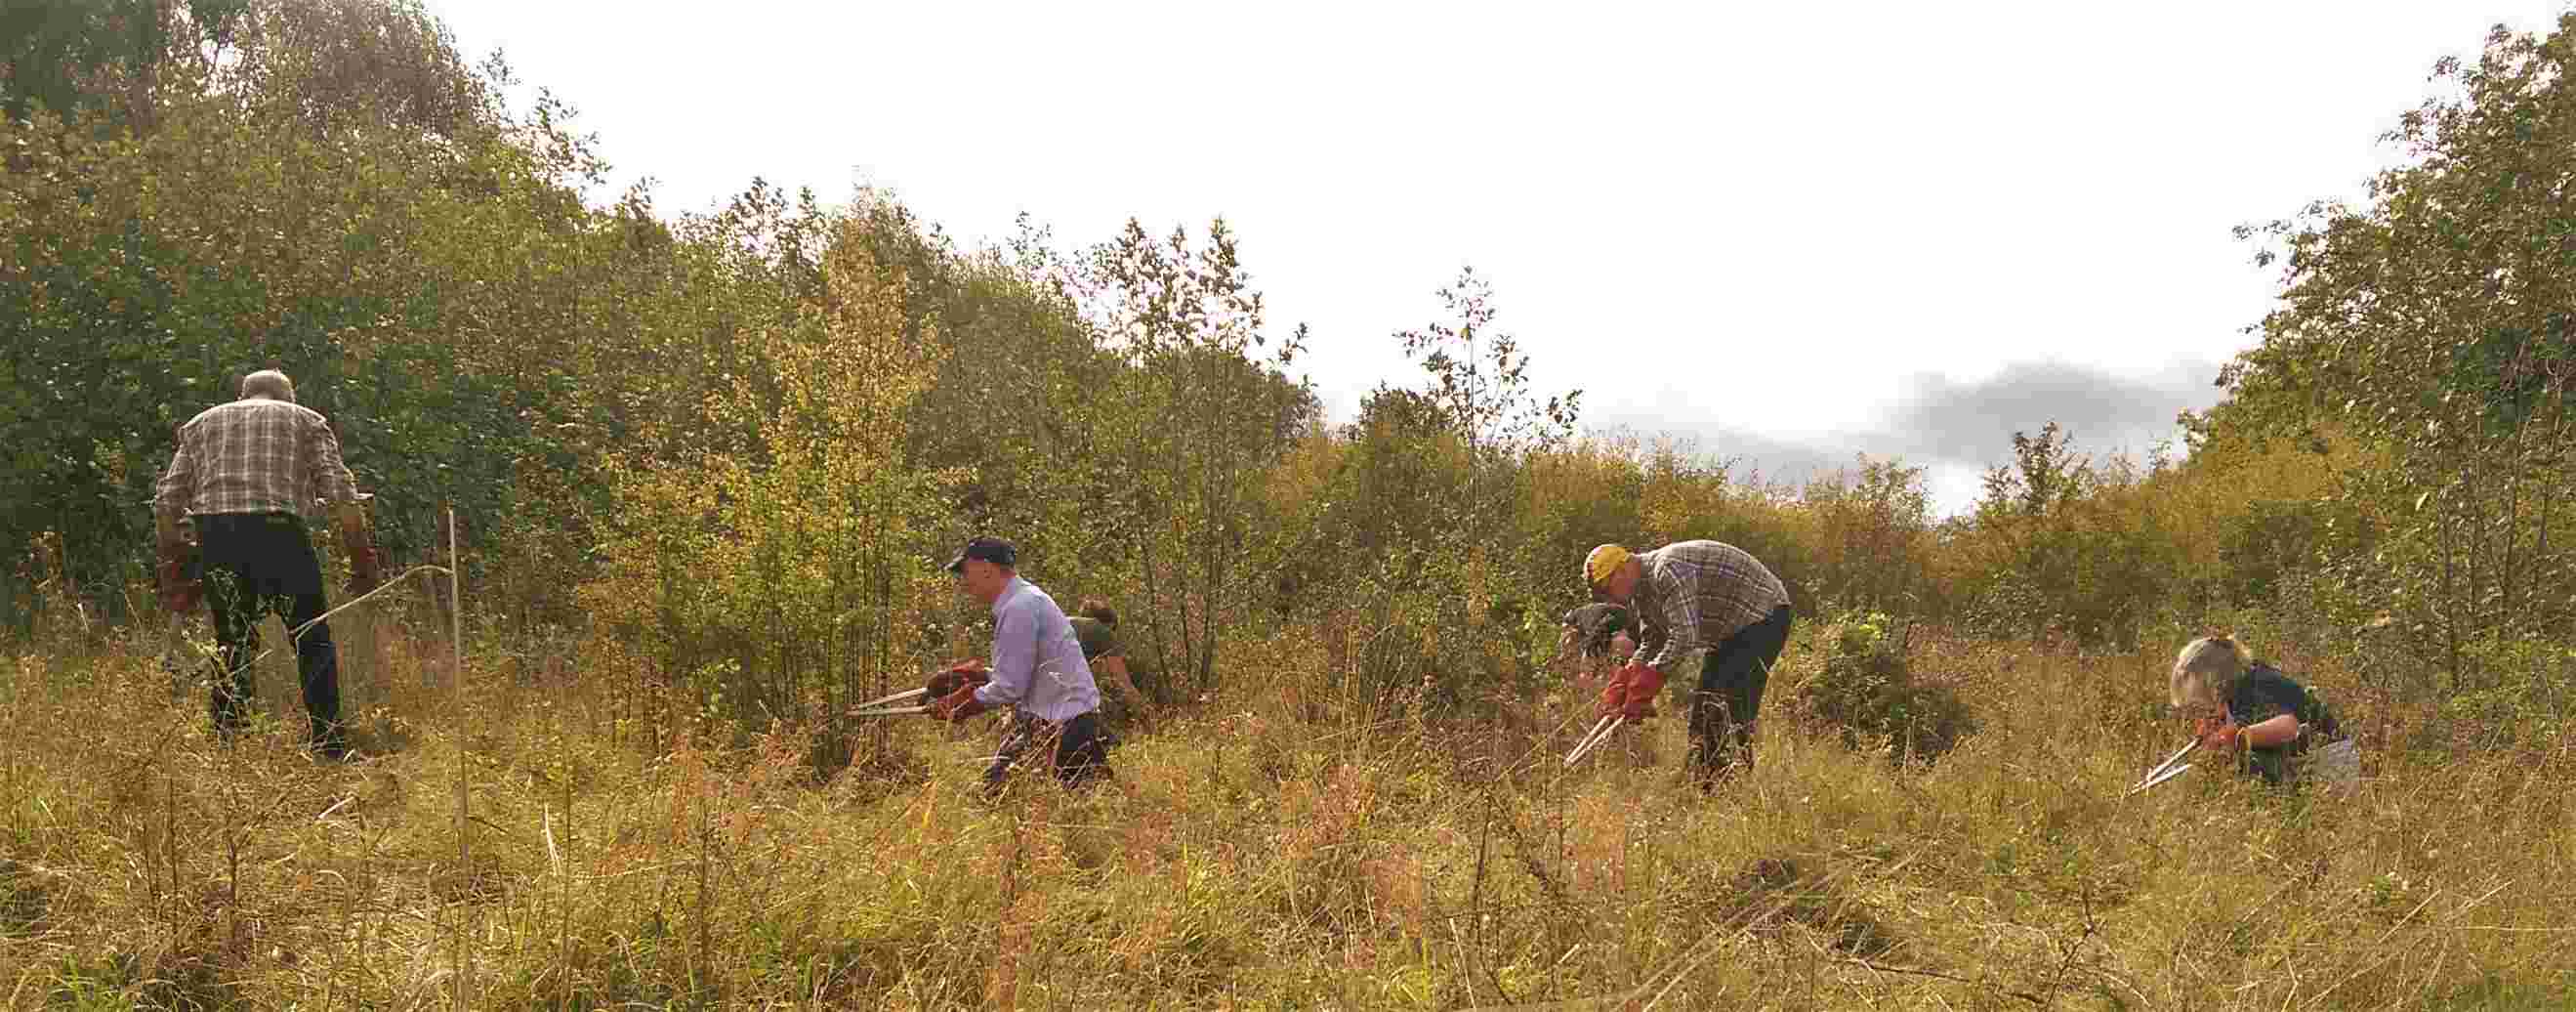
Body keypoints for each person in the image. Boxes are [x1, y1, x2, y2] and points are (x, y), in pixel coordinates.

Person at [152, 368, 382, 759]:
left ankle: (228, 746)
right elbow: (341, 494)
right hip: (281, 535)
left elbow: (166, 503)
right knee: (311, 638)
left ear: (243, 397)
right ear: (288, 398)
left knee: (232, 641)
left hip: (218, 537)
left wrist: (175, 562)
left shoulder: (200, 424)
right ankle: (328, 744)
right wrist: (361, 557)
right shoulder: (306, 420)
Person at [1584, 540, 1794, 786]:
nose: (1609, 597)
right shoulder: (1640, 593)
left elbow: (1685, 635)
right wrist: (1625, 679)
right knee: (1705, 708)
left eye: (1607, 588)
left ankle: (1732, 785)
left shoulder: (1667, 569)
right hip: (1730, 632)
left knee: (1729, 707)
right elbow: (1653, 639)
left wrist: (1648, 682)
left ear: (1622, 569)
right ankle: (1702, 784)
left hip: (1764, 614)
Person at [923, 537, 1112, 792]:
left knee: (1078, 807)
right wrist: (981, 676)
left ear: (986, 569)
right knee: (995, 793)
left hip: (1067, 729)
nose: (964, 582)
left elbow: (1010, 687)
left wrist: (962, 704)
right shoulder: (1026, 600)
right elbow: (1026, 674)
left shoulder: (1019, 607)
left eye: (966, 572)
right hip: (1053, 723)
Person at [2169, 635, 2360, 792]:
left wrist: (2232, 737)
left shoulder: (2256, 685)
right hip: (2311, 761)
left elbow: (2289, 726)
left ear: (2211, 677)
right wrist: (2220, 731)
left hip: (2330, 765)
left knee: (2244, 761)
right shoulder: (2245, 681)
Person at [1069, 599, 1157, 743]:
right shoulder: (1101, 630)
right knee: (1111, 745)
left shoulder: (1065, 624)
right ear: (1108, 624)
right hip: (1068, 705)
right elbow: (1123, 683)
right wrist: (1147, 715)